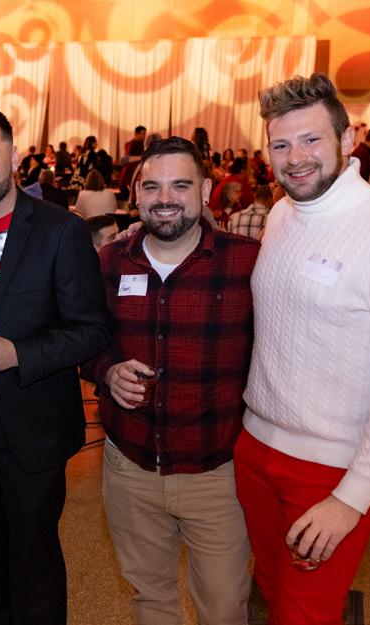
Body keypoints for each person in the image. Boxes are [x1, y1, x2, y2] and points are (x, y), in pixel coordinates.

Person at [237, 73, 370, 624]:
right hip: (256, 448)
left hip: (331, 468)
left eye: (311, 140)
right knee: (269, 591)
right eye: (281, 144)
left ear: (347, 140)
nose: (295, 158)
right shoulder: (282, 214)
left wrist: (352, 497)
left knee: (305, 614)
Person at [0, 102, 109, 625]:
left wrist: (16, 353)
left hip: (31, 425)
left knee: (34, 563)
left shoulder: (60, 231)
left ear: (14, 156)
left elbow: (91, 331)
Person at [83, 136, 258, 625]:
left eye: (180, 185)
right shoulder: (109, 262)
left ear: (204, 190)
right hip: (130, 465)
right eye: (152, 186)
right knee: (150, 600)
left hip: (217, 471)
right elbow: (88, 341)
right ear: (136, 193)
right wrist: (107, 370)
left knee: (225, 607)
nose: (165, 198)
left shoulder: (247, 262)